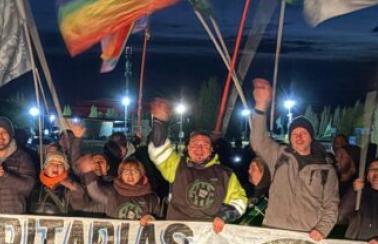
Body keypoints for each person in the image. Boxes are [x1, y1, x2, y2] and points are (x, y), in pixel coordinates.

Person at [248, 78, 338, 239]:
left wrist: (322, 230)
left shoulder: (327, 169)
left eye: (303, 133)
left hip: (306, 236)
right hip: (274, 231)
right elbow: (258, 141)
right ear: (289, 138)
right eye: (294, 133)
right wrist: (260, 107)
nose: (299, 137)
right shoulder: (279, 155)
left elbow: (331, 205)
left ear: (311, 137)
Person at [146, 98, 246, 232]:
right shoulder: (176, 166)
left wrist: (224, 216)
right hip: (176, 232)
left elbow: (239, 201)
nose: (199, 149)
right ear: (187, 148)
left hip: (208, 236)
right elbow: (158, 149)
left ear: (211, 149)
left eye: (204, 145)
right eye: (194, 144)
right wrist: (160, 122)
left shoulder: (225, 174)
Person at [81, 156, 162, 222]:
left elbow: (160, 221)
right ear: (120, 175)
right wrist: (90, 171)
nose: (130, 175)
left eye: (134, 172)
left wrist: (151, 219)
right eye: (126, 172)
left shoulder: (151, 198)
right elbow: (93, 191)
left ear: (141, 174)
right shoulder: (111, 193)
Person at [29, 149, 88, 215]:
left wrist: (74, 188)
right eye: (51, 163)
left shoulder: (68, 189)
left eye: (60, 164)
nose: (56, 166)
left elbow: (79, 207)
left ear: (65, 169)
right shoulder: (35, 186)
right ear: (45, 168)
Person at [238, 157, 270, 226]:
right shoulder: (248, 191)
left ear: (264, 172)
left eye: (253, 169)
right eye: (249, 168)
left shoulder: (271, 194)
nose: (249, 171)